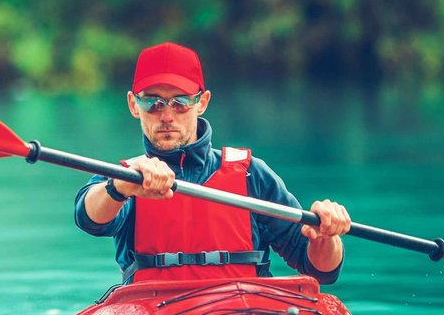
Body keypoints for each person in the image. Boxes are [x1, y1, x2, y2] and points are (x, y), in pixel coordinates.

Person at [75, 42, 352, 284]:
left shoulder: (251, 175)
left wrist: (327, 236)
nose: (167, 115)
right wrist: (119, 187)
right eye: (153, 103)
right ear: (134, 105)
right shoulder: (125, 177)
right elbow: (88, 218)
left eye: (180, 102)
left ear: (202, 102)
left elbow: (321, 271)